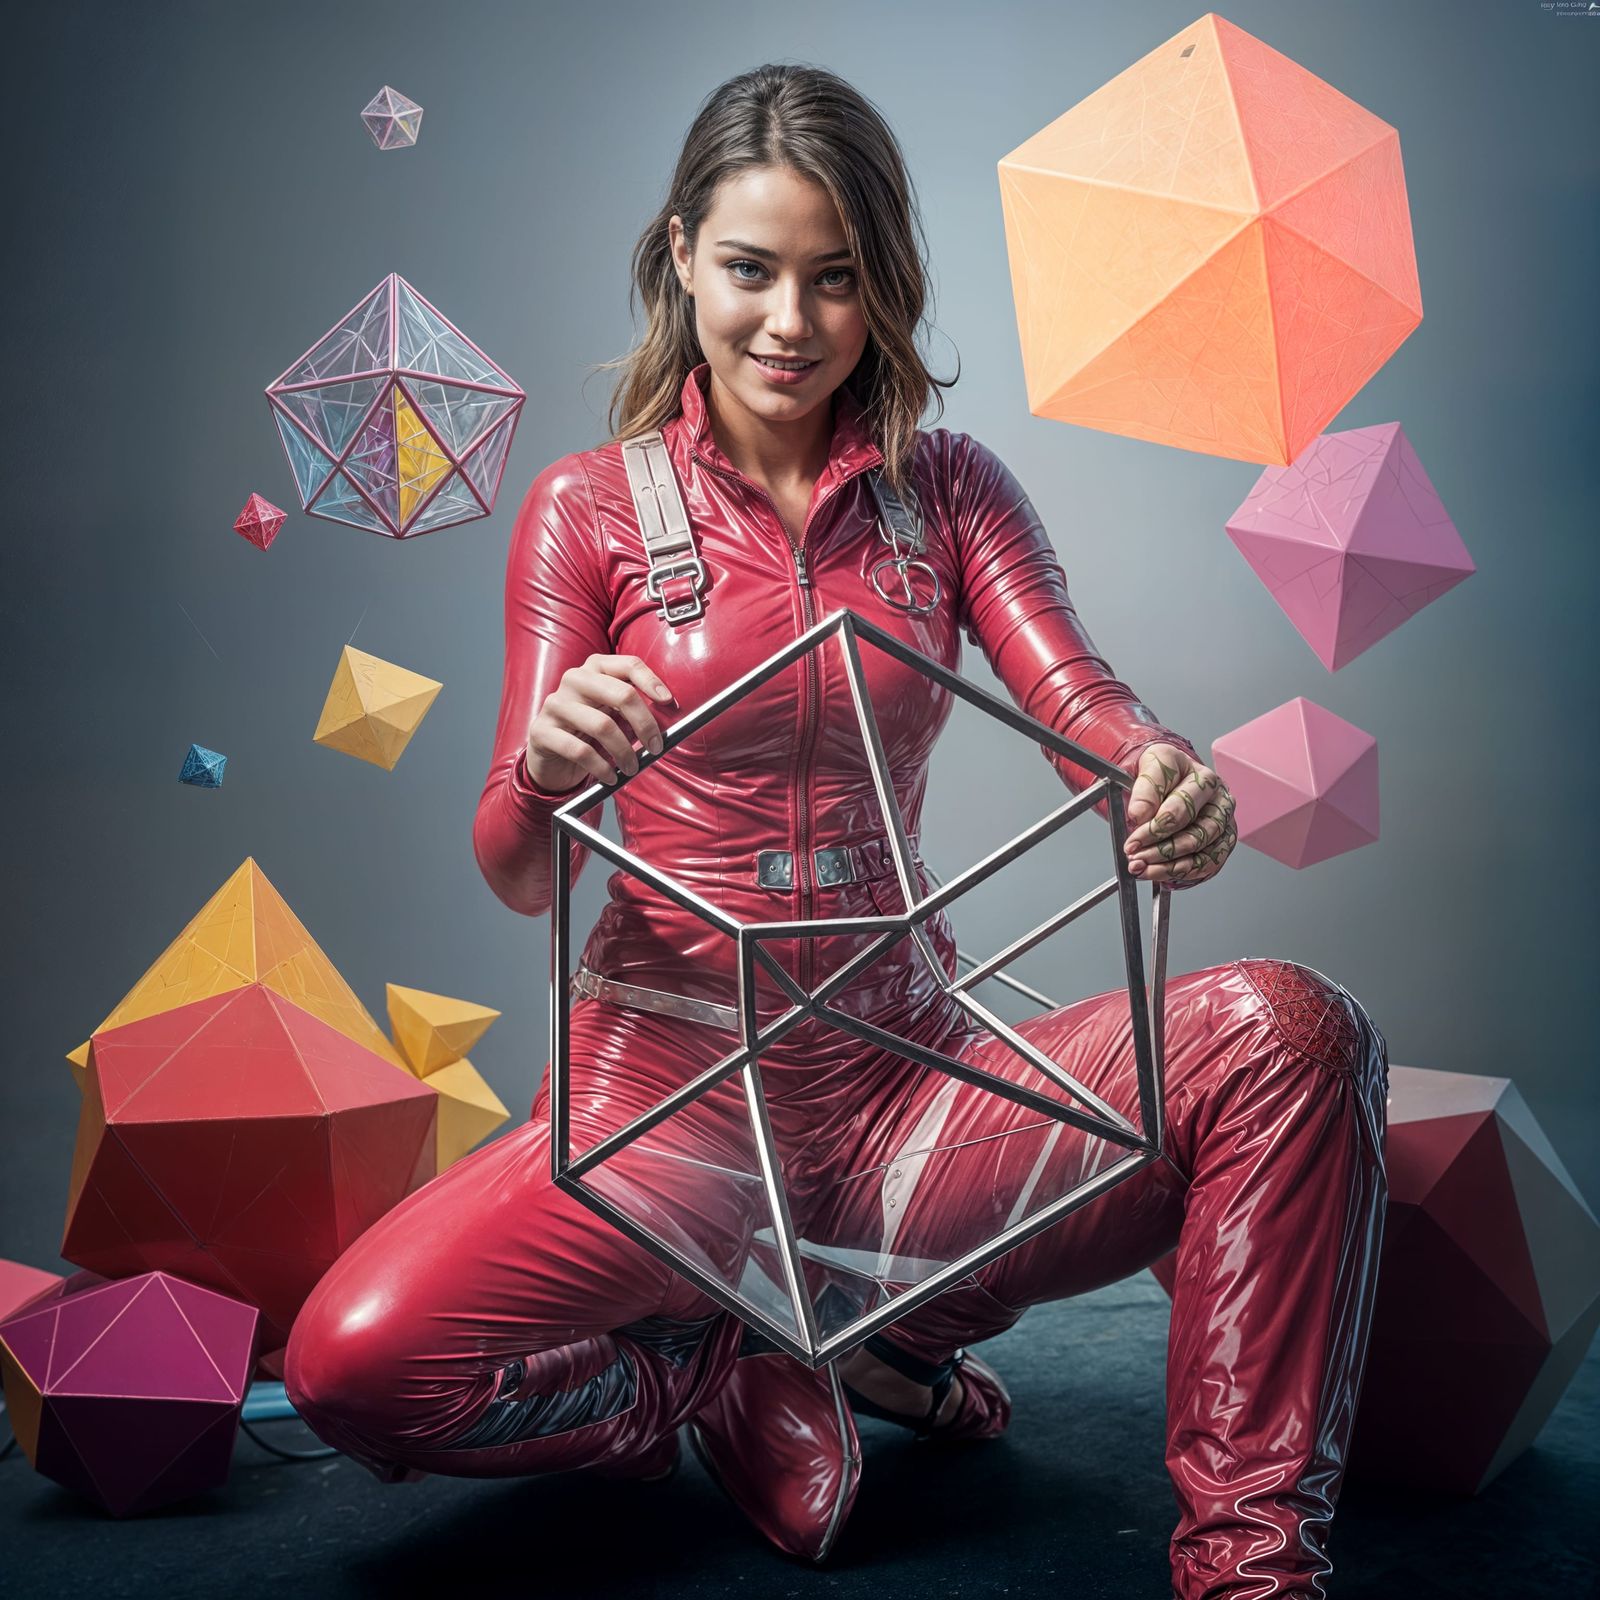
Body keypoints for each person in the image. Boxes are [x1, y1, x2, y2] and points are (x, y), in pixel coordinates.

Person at [284, 63, 1388, 1600]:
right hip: (663, 1122)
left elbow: (1079, 697)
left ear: (885, 289)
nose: (788, 324)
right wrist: (543, 769)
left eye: (837, 280)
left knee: (1291, 1032)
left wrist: (1158, 775)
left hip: (902, 1099)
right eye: (749, 271)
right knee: (348, 1365)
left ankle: (1252, 1568)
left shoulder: (952, 495)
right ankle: (702, 1367)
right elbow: (517, 868)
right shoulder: (585, 509)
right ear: (681, 256)